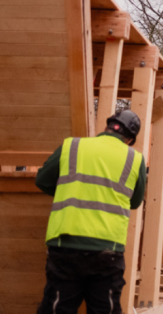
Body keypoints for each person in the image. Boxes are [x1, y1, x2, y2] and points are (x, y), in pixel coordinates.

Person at [34, 110, 147, 314]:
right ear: (130, 139)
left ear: (106, 127)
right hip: (107, 250)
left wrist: (67, 191)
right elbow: (135, 202)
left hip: (65, 244)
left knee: (56, 307)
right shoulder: (135, 159)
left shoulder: (73, 146)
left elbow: (42, 180)